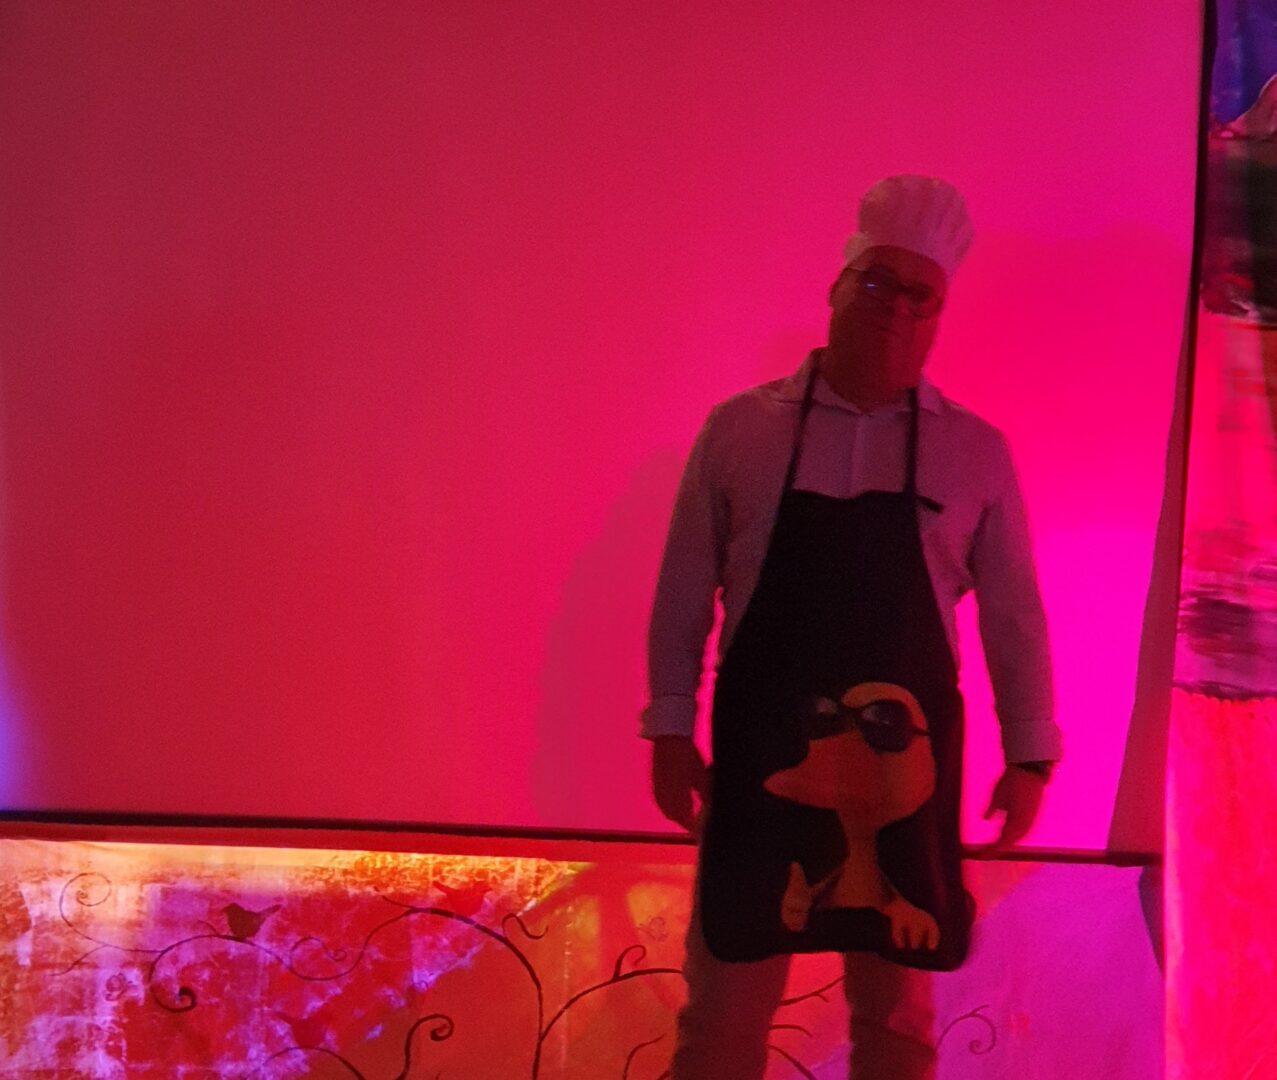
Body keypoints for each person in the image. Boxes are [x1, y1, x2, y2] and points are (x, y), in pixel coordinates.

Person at [641, 175, 1063, 1080]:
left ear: (940, 313)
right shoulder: (740, 431)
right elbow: (681, 591)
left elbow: (1014, 615)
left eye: (920, 294)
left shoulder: (974, 451)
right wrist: (669, 729)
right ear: (837, 285)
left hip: (902, 772)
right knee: (720, 1020)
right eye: (879, 282)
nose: (896, 308)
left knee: (897, 1023)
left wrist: (1030, 755)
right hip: (764, 767)